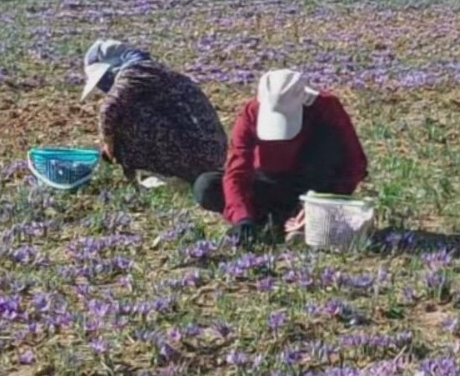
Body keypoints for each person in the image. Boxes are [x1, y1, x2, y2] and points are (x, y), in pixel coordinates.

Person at [193, 69, 369, 246]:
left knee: (325, 145)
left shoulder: (326, 107)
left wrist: (321, 204)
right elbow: (236, 171)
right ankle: (268, 223)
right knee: (207, 186)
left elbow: (355, 163)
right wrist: (242, 217)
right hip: (268, 182)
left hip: (313, 184)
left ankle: (299, 221)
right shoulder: (251, 112)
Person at [81, 39, 227, 186]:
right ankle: (166, 171)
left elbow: (109, 108)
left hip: (199, 153)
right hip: (206, 151)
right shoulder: (149, 70)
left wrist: (108, 143)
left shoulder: (137, 72)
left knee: (123, 116)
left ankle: (168, 174)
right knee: (127, 111)